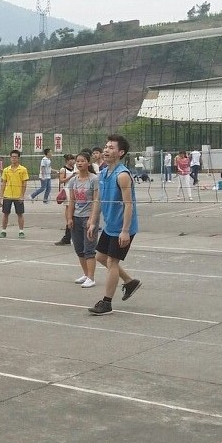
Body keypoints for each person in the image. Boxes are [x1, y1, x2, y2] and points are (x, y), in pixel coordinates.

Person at [86, 135, 141, 316]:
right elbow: (99, 200)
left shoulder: (122, 175)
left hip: (122, 227)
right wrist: (93, 221)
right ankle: (130, 282)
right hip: (110, 225)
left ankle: (106, 303)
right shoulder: (103, 173)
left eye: (111, 147)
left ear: (120, 152)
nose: (106, 150)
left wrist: (125, 231)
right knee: (101, 257)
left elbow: (129, 205)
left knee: (112, 261)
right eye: (106, 146)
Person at [66, 151, 99, 288]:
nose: (79, 163)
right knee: (79, 248)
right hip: (76, 217)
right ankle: (86, 274)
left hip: (88, 217)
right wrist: (69, 218)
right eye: (78, 161)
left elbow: (96, 200)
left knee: (89, 249)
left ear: (88, 163)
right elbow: (72, 200)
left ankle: (91, 278)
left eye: (82, 161)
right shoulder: (73, 180)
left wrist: (92, 219)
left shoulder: (94, 179)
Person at [0, 149, 28, 239]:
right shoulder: (6, 170)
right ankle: (3, 231)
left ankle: (21, 231)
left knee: (20, 214)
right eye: (12, 157)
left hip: (18, 196)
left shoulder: (23, 169)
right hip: (7, 195)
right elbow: (3, 183)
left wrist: (22, 195)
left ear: (18, 158)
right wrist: (0, 196)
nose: (14, 158)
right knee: (5, 214)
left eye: (15, 157)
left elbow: (24, 184)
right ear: (10, 158)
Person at [53, 153, 75, 246]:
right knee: (69, 209)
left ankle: (68, 236)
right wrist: (71, 176)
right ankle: (68, 227)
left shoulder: (76, 168)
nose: (73, 161)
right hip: (67, 190)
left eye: (73, 159)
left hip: (75, 190)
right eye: (71, 159)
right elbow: (61, 181)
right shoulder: (63, 169)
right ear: (67, 161)